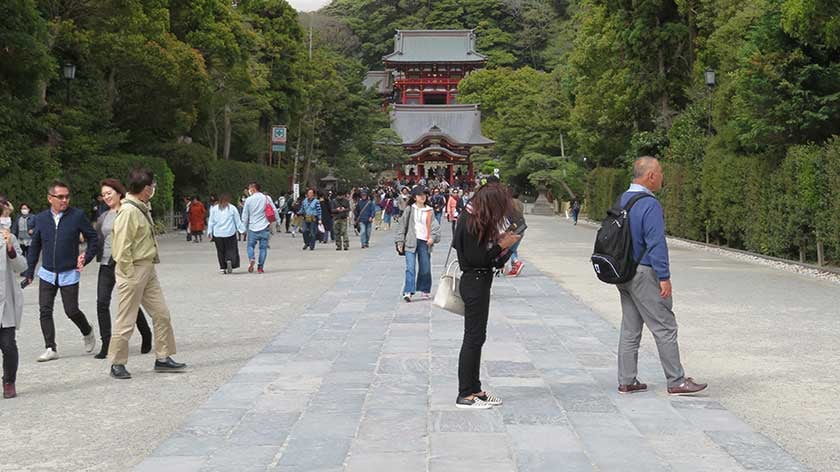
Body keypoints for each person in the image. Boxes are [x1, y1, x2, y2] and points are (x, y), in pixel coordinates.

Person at [616, 157, 707, 396]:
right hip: (645, 272)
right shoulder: (649, 204)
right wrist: (664, 276)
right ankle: (676, 380)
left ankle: (626, 380)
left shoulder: (622, 199)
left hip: (623, 272)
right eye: (660, 172)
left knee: (630, 327)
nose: (662, 176)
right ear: (650, 176)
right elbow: (656, 243)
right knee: (665, 326)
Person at [108, 168, 185, 379]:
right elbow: (121, 247)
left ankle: (163, 357)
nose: (154, 189)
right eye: (152, 185)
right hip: (133, 269)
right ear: (145, 189)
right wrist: (128, 274)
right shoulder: (128, 211)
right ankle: (117, 362)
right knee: (126, 319)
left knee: (161, 314)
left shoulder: (141, 206)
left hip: (148, 268)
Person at [452, 182, 521, 409]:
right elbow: (478, 259)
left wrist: (503, 244)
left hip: (480, 281)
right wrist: (502, 245)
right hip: (474, 282)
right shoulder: (469, 221)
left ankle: (476, 389)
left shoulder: (475, 218)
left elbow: (488, 258)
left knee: (477, 337)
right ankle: (465, 394)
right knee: (472, 338)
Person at [23, 180, 98, 362]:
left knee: (71, 310)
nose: (65, 200)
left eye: (67, 197)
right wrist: (29, 271)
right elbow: (35, 246)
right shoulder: (41, 218)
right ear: (50, 198)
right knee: (45, 310)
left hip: (69, 272)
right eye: (60, 197)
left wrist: (86, 257)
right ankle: (50, 348)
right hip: (47, 272)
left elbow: (93, 237)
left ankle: (87, 330)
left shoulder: (77, 216)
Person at [94, 179, 152, 359]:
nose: (106, 197)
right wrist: (85, 258)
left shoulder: (128, 211)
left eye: (109, 193)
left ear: (119, 193)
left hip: (124, 263)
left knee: (130, 302)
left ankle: (146, 333)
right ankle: (106, 342)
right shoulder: (103, 216)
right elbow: (98, 240)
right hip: (106, 264)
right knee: (102, 302)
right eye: (103, 195)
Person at [395, 186, 441, 302]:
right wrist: (400, 241)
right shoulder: (409, 209)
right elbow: (402, 225)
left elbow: (435, 226)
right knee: (410, 267)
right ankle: (408, 291)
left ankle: (425, 289)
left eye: (424, 194)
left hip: (425, 242)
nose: (423, 197)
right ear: (415, 197)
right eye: (420, 195)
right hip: (410, 241)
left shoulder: (429, 211)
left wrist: (432, 238)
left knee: (425, 268)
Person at [0, 196, 26, 398]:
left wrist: (10, 250)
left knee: (8, 345)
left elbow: (22, 266)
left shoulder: (10, 238)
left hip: (5, 301)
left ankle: (9, 381)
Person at [241, 182, 279, 273]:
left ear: (253, 189)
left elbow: (245, 215)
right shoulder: (266, 198)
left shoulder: (248, 200)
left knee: (250, 246)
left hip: (252, 227)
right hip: (264, 226)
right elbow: (274, 210)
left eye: (249, 188)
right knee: (263, 248)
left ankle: (252, 258)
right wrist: (278, 221)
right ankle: (260, 267)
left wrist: (243, 228)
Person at [208, 193, 245, 274]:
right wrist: (242, 230)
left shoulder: (214, 209)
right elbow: (237, 221)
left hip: (218, 233)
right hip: (229, 232)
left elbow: (211, 221)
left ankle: (222, 267)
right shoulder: (232, 208)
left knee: (220, 251)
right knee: (230, 249)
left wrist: (210, 232)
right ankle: (229, 259)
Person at [506, 191, 526, 277]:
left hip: (514, 229)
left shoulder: (509, 203)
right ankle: (514, 268)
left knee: (508, 249)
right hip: (522, 227)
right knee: (513, 248)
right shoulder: (520, 203)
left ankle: (517, 263)